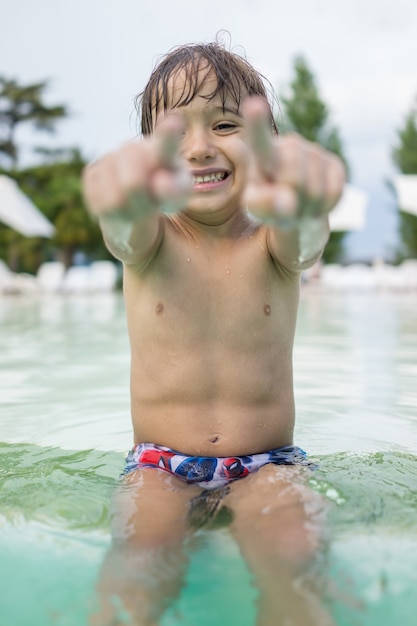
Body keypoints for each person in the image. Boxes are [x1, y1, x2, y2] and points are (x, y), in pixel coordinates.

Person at [82, 38, 345, 626]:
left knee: (295, 561)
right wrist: (120, 204)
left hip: (268, 465)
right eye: (175, 133)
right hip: (158, 468)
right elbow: (124, 234)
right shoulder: (151, 241)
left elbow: (305, 242)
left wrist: (307, 207)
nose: (199, 148)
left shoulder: (270, 242)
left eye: (226, 124)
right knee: (136, 571)